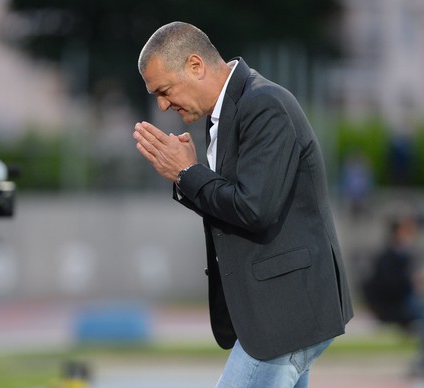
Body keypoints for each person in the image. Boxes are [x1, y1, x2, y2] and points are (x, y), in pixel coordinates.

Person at [133, 22, 354, 387]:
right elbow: (236, 202)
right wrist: (186, 176)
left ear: (195, 66)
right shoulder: (230, 111)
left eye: (165, 90)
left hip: (285, 313)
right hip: (279, 312)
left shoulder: (263, 104)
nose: (162, 104)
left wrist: (188, 172)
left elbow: (254, 209)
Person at [362, 213, 424, 375]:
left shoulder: (405, 256)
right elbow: (391, 288)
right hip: (392, 307)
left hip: (404, 304)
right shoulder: (387, 257)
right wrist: (413, 282)